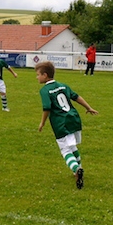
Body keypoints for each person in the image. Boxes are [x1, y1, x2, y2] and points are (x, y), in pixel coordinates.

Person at [36, 61, 98, 189]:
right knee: (71, 145)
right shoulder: (63, 86)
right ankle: (79, 167)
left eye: (38, 75)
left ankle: (76, 169)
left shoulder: (45, 90)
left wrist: (42, 122)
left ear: (45, 75)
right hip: (73, 118)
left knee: (65, 149)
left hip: (61, 123)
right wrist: (88, 107)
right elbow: (76, 97)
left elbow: (47, 107)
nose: (37, 77)